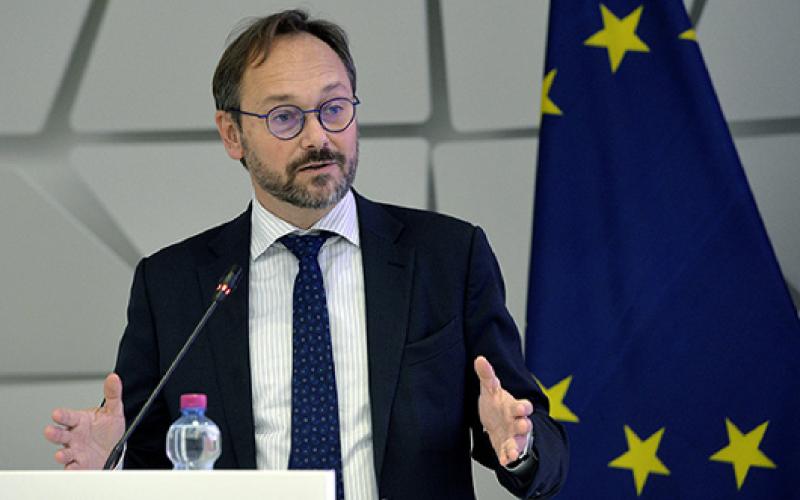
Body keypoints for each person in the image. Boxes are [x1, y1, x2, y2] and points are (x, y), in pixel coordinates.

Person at [44, 9, 567, 499]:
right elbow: (151, 464)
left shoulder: (447, 257)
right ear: (232, 134)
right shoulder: (172, 285)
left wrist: (519, 445)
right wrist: (109, 469)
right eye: (285, 117)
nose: (318, 137)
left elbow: (542, 446)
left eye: (334, 109)